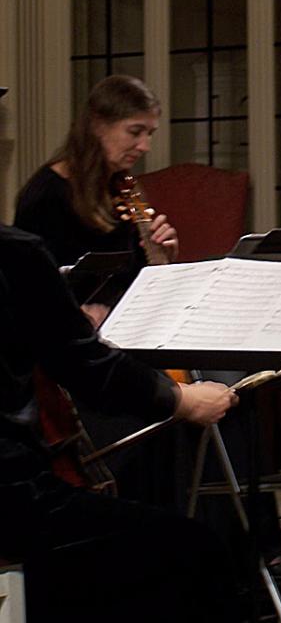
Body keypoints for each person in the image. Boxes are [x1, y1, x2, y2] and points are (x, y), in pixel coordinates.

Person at [0, 221, 246, 622]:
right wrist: (182, 400)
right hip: (10, 497)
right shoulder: (13, 251)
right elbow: (86, 366)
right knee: (193, 551)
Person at [15, 74, 177, 326]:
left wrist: (162, 257)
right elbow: (29, 289)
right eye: (135, 132)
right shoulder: (47, 195)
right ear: (98, 126)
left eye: (150, 133)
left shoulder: (122, 186)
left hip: (124, 326)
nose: (145, 146)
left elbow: (131, 278)